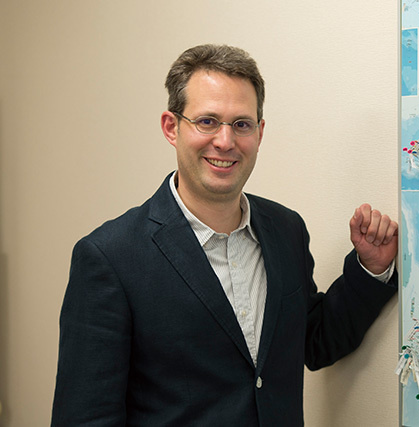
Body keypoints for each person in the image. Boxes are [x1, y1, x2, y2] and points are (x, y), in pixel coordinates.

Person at [52, 44, 398, 426]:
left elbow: (313, 343)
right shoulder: (110, 258)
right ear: (171, 127)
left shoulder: (286, 230)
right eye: (207, 121)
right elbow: (86, 417)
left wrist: (371, 269)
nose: (225, 141)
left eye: (241, 124)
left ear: (260, 133)